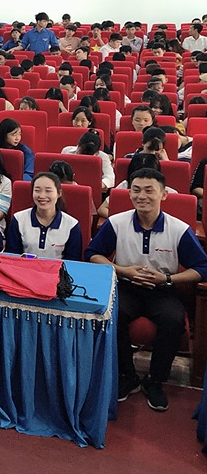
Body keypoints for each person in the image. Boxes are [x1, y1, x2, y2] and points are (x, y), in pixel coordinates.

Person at [86, 168, 207, 411]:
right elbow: (93, 254)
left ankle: (155, 380)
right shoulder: (117, 223)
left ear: (164, 194)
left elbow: (202, 267)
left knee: (173, 320)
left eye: (149, 190)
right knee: (112, 314)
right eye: (136, 190)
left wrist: (167, 278)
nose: (142, 196)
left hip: (162, 288)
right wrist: (122, 270)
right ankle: (127, 376)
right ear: (129, 193)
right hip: (126, 285)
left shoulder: (178, 229)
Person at [4, 172, 82, 260]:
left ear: (59, 193)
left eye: (48, 191)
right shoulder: (19, 219)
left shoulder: (71, 225)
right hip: (23, 267)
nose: (42, 196)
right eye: (37, 190)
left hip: (58, 268)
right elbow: (12, 256)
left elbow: (72, 261)